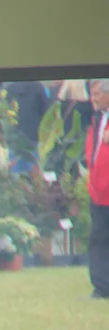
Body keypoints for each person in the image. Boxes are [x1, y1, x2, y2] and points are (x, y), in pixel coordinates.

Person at [86, 80, 109, 300]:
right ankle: (101, 286)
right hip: (99, 192)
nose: (94, 98)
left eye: (98, 94)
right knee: (99, 239)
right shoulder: (97, 119)